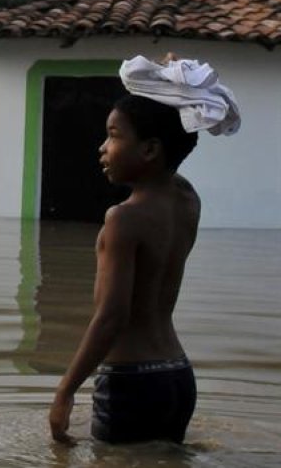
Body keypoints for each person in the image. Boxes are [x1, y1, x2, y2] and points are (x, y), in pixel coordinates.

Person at [49, 54, 239, 446]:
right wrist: (170, 90)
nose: (103, 148)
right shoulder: (187, 199)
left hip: (129, 382)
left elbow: (111, 318)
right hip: (178, 377)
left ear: (151, 149)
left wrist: (65, 390)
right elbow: (175, 147)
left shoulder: (123, 218)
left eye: (114, 135)